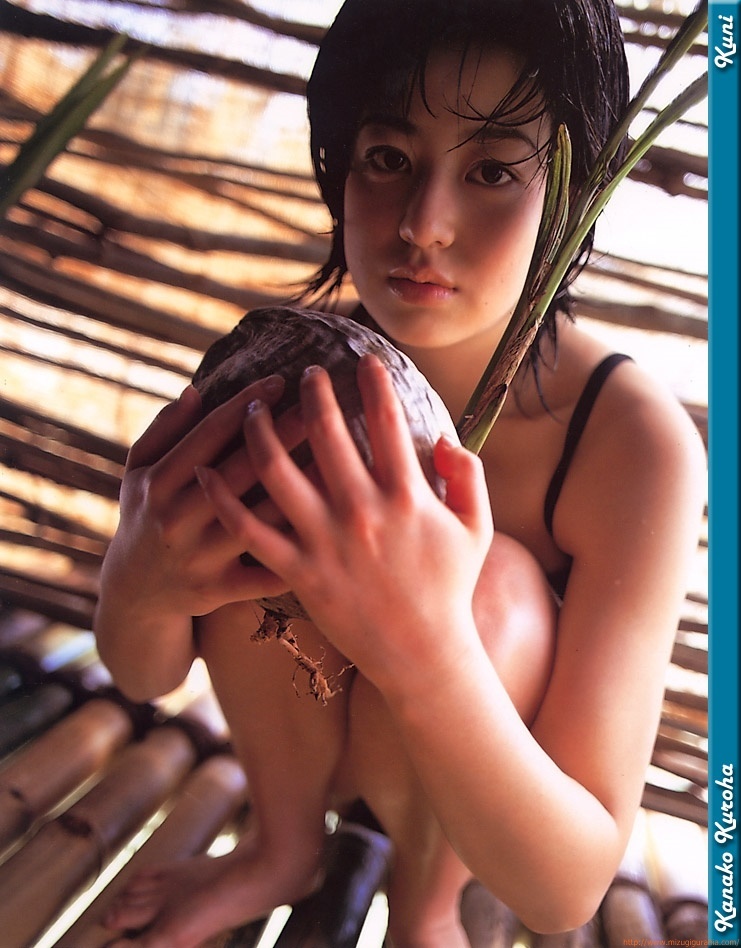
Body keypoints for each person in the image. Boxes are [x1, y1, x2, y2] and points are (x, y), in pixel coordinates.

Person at [94, 1, 707, 945]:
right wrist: (138, 583)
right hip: (305, 742)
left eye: (492, 171)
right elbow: (147, 673)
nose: (424, 225)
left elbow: (565, 890)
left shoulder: (629, 444)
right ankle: (281, 845)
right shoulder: (289, 373)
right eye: (387, 157)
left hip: (490, 807)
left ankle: (427, 907)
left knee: (490, 585)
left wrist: (425, 646)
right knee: (287, 487)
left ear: (574, 195)